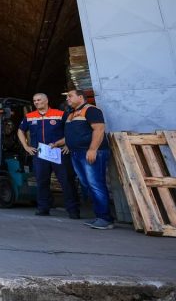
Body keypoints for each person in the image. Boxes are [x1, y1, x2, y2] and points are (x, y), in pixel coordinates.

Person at [54, 90, 114, 230]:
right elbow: (73, 135)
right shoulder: (71, 114)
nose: (67, 99)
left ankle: (105, 218)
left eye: (70, 96)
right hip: (77, 153)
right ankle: (99, 216)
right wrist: (58, 143)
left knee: (95, 184)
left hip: (90, 153)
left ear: (80, 97)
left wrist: (92, 149)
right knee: (87, 185)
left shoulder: (91, 110)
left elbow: (99, 129)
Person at [17, 93, 80, 219]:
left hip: (59, 152)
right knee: (41, 182)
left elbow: (71, 131)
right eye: (34, 100)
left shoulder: (60, 114)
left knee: (66, 181)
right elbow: (20, 130)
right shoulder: (29, 116)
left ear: (46, 101)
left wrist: (68, 144)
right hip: (40, 153)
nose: (36, 102)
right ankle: (43, 208)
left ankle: (73, 210)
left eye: (39, 100)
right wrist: (26, 146)